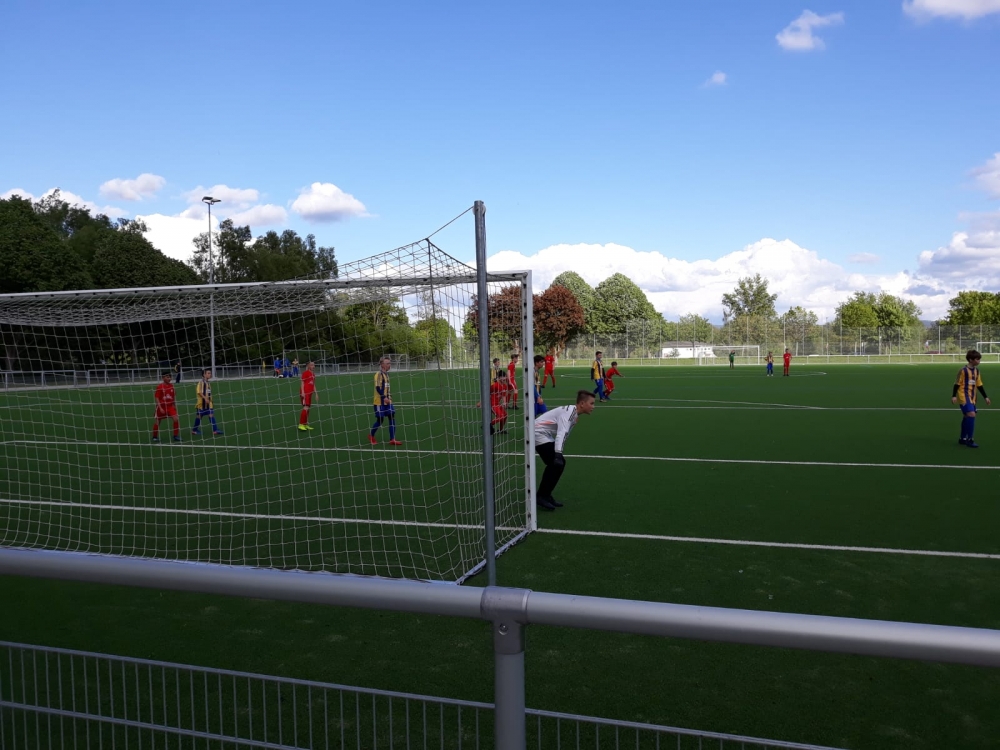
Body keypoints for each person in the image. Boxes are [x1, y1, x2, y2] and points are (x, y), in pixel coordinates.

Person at [533, 390, 596, 511]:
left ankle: (545, 494)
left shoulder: (574, 414)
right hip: (537, 432)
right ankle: (541, 496)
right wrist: (558, 453)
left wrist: (558, 453)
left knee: (557, 464)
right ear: (582, 404)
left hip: (544, 434)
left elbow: (564, 434)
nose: (593, 406)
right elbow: (561, 433)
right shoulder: (570, 413)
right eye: (591, 403)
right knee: (555, 463)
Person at [952, 349, 991, 448]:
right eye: (977, 359)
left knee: (967, 416)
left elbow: (979, 385)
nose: (979, 361)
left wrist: (985, 397)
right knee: (971, 414)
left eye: (979, 359)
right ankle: (970, 439)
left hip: (972, 397)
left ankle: (962, 438)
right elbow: (957, 384)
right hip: (963, 396)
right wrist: (954, 396)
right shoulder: (963, 371)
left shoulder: (977, 371)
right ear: (970, 360)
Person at [369, 356, 402, 445]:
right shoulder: (378, 374)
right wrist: (384, 397)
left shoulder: (386, 374)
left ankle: (392, 439)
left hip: (388, 401)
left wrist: (389, 397)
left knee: (392, 417)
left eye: (389, 363)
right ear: (382, 364)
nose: (389, 365)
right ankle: (371, 435)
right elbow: (378, 388)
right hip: (379, 402)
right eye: (387, 363)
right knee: (380, 420)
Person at [192, 369, 223, 436]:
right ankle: (194, 430)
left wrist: (210, 400)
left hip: (208, 404)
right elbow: (199, 392)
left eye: (210, 373)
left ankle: (215, 430)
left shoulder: (207, 383)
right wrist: (205, 398)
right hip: (201, 404)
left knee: (211, 415)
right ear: (204, 374)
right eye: (208, 373)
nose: (210, 374)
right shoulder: (201, 382)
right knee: (199, 416)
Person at [152, 373, 181, 442]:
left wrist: (174, 406)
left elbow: (173, 397)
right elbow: (157, 398)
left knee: (176, 419)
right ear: (163, 378)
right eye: (167, 377)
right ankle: (154, 437)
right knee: (158, 421)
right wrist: (160, 408)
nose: (169, 378)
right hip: (161, 406)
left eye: (170, 377)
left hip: (170, 406)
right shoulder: (160, 386)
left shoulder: (172, 386)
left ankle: (175, 436)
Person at [298, 361, 317, 431]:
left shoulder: (313, 374)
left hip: (310, 393)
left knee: (308, 408)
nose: (313, 366)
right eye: (312, 365)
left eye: (314, 365)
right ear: (308, 366)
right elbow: (302, 382)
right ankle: (301, 424)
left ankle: (305, 424)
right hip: (305, 393)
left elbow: (313, 384)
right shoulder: (305, 373)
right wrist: (303, 392)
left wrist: (316, 393)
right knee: (306, 407)